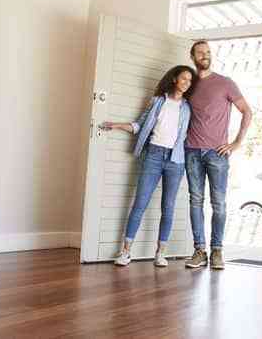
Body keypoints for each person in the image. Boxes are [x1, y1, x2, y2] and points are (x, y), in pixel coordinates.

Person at [101, 65, 197, 267]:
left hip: (175, 161)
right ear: (174, 80)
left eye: (190, 80)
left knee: (168, 207)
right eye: (184, 79)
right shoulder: (157, 102)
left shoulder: (188, 108)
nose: (187, 83)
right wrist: (116, 125)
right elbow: (138, 126)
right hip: (153, 155)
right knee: (140, 203)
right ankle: (126, 252)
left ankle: (160, 253)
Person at [184, 40, 253, 270]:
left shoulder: (225, 83)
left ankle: (216, 251)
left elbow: (246, 112)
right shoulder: (189, 85)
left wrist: (236, 143)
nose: (205, 55)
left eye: (208, 52)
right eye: (200, 53)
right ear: (192, 57)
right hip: (191, 151)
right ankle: (199, 251)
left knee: (219, 204)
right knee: (195, 201)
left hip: (217, 154)